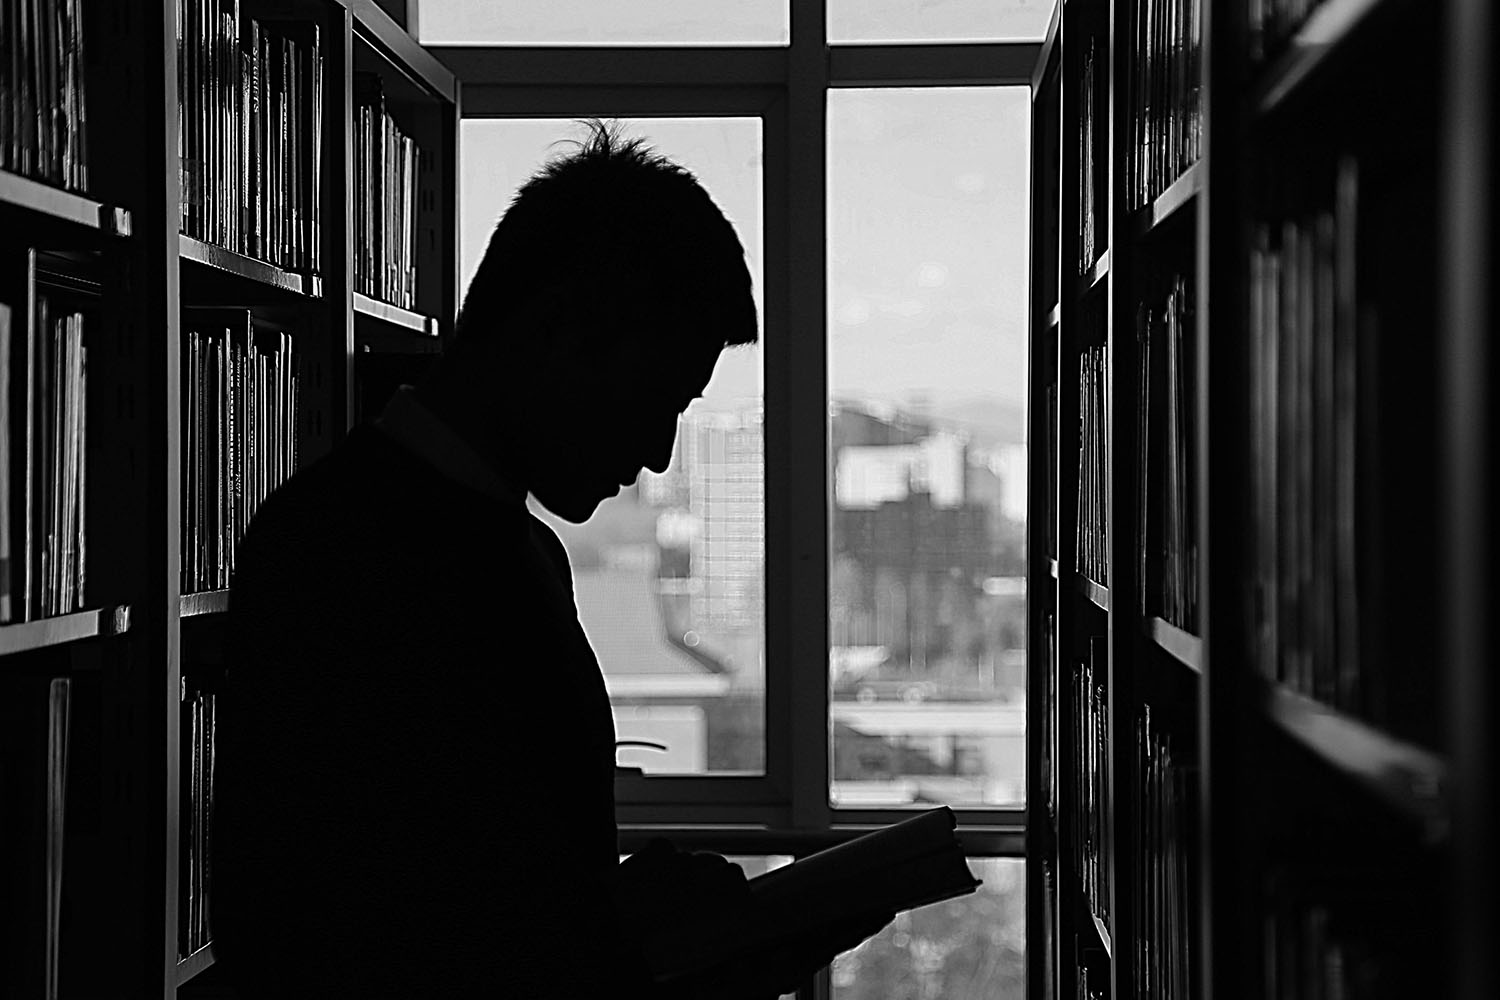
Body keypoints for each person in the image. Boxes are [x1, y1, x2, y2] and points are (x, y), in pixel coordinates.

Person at [212, 121, 881, 998]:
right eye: (658, 397)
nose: (657, 453)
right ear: (562, 332)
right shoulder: (344, 555)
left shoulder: (459, 542)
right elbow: (321, 936)